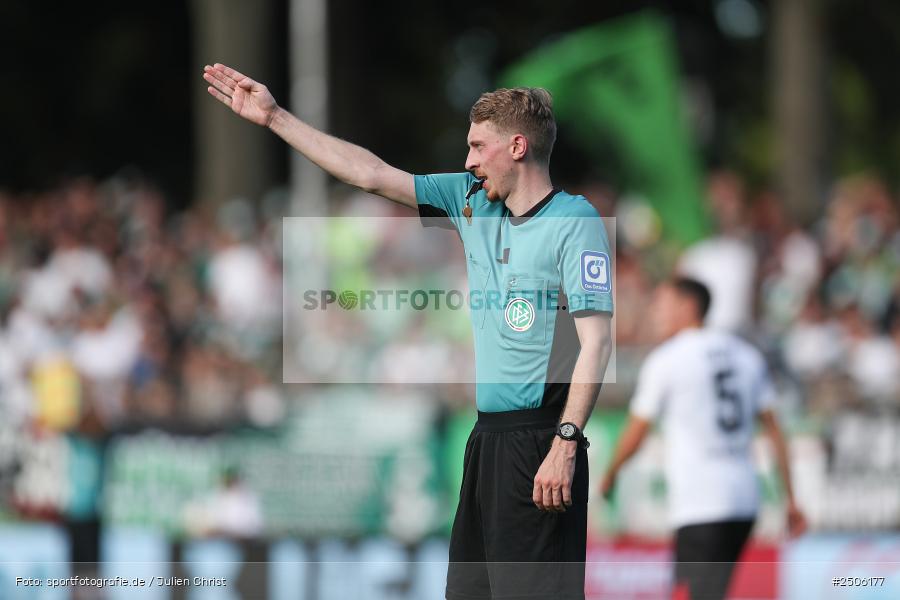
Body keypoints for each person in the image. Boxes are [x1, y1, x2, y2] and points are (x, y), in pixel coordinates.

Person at [203, 64, 613, 600]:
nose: (467, 160)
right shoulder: (470, 199)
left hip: (543, 438)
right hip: (486, 439)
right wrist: (276, 117)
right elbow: (369, 174)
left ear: (517, 146)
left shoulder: (573, 221)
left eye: (477, 146)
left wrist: (565, 442)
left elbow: (598, 343)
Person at [600, 277, 806, 600]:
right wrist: (790, 498)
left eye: (661, 304)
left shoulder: (666, 360)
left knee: (688, 594)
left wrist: (609, 473)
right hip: (744, 498)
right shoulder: (746, 354)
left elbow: (636, 431)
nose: (654, 313)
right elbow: (775, 430)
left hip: (701, 500)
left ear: (687, 307)